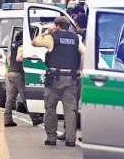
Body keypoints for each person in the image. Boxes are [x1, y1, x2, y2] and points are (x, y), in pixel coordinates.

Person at [32, 16, 85, 147]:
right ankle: (71, 139)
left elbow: (34, 42)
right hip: (71, 77)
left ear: (57, 26)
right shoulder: (76, 38)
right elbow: (83, 52)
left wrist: (47, 32)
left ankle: (51, 138)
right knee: (70, 109)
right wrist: (80, 69)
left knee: (50, 107)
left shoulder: (52, 37)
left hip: (55, 78)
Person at [57, 13, 88, 141]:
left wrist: (79, 69)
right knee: (86, 106)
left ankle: (69, 133)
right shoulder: (93, 35)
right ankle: (85, 134)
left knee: (71, 106)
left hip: (78, 74)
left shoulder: (78, 36)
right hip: (92, 74)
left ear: (76, 24)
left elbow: (81, 53)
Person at [4, 31, 43, 127]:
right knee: (25, 96)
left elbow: (8, 57)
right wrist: (27, 59)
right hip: (18, 74)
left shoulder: (14, 45)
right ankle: (35, 118)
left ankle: (7, 120)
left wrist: (10, 68)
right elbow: (19, 58)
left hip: (11, 73)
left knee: (10, 98)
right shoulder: (22, 45)